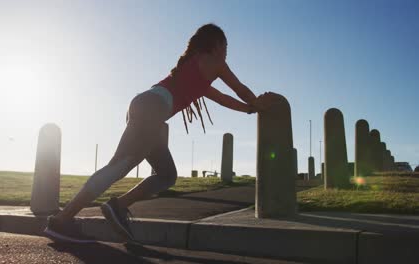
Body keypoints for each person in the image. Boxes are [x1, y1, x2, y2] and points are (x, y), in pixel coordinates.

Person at [44, 23, 278, 243]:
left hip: (146, 106)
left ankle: (118, 206)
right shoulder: (215, 63)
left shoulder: (196, 71)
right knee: (119, 166)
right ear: (215, 45)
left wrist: (250, 110)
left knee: (167, 175)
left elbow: (225, 99)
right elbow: (238, 89)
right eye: (225, 47)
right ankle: (62, 221)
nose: (227, 53)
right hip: (151, 109)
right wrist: (258, 104)